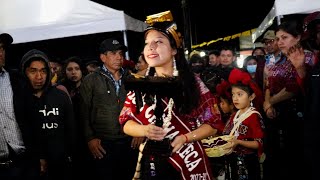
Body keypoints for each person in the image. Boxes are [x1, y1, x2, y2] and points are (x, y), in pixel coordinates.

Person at [119, 19, 224, 180]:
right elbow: (126, 122)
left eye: (159, 41)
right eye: (147, 43)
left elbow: (213, 125)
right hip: (152, 161)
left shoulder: (192, 82)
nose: (151, 47)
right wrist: (145, 130)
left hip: (188, 160)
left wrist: (185, 138)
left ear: (174, 49)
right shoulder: (139, 83)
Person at [79, 38, 139, 179]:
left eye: (120, 53)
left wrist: (140, 131)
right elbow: (83, 112)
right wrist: (90, 138)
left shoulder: (131, 78)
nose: (119, 57)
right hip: (102, 144)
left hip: (129, 141)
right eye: (113, 53)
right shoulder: (90, 80)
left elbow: (141, 107)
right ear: (102, 57)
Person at [20, 49, 76, 180]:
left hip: (62, 165)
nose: (39, 77)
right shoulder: (19, 100)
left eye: (43, 71)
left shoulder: (60, 96)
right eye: (33, 71)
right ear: (24, 72)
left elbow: (71, 129)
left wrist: (69, 155)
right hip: (32, 167)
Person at [0, 33, 40, 179]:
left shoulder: (17, 79)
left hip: (24, 163)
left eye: (2, 49)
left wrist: (39, 156)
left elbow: (33, 120)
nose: (1, 53)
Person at [222, 68, 264, 180]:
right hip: (233, 161)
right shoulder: (234, 115)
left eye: (240, 94)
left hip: (247, 163)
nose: (235, 98)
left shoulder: (254, 115)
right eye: (233, 94)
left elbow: (259, 143)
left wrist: (238, 142)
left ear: (251, 96)